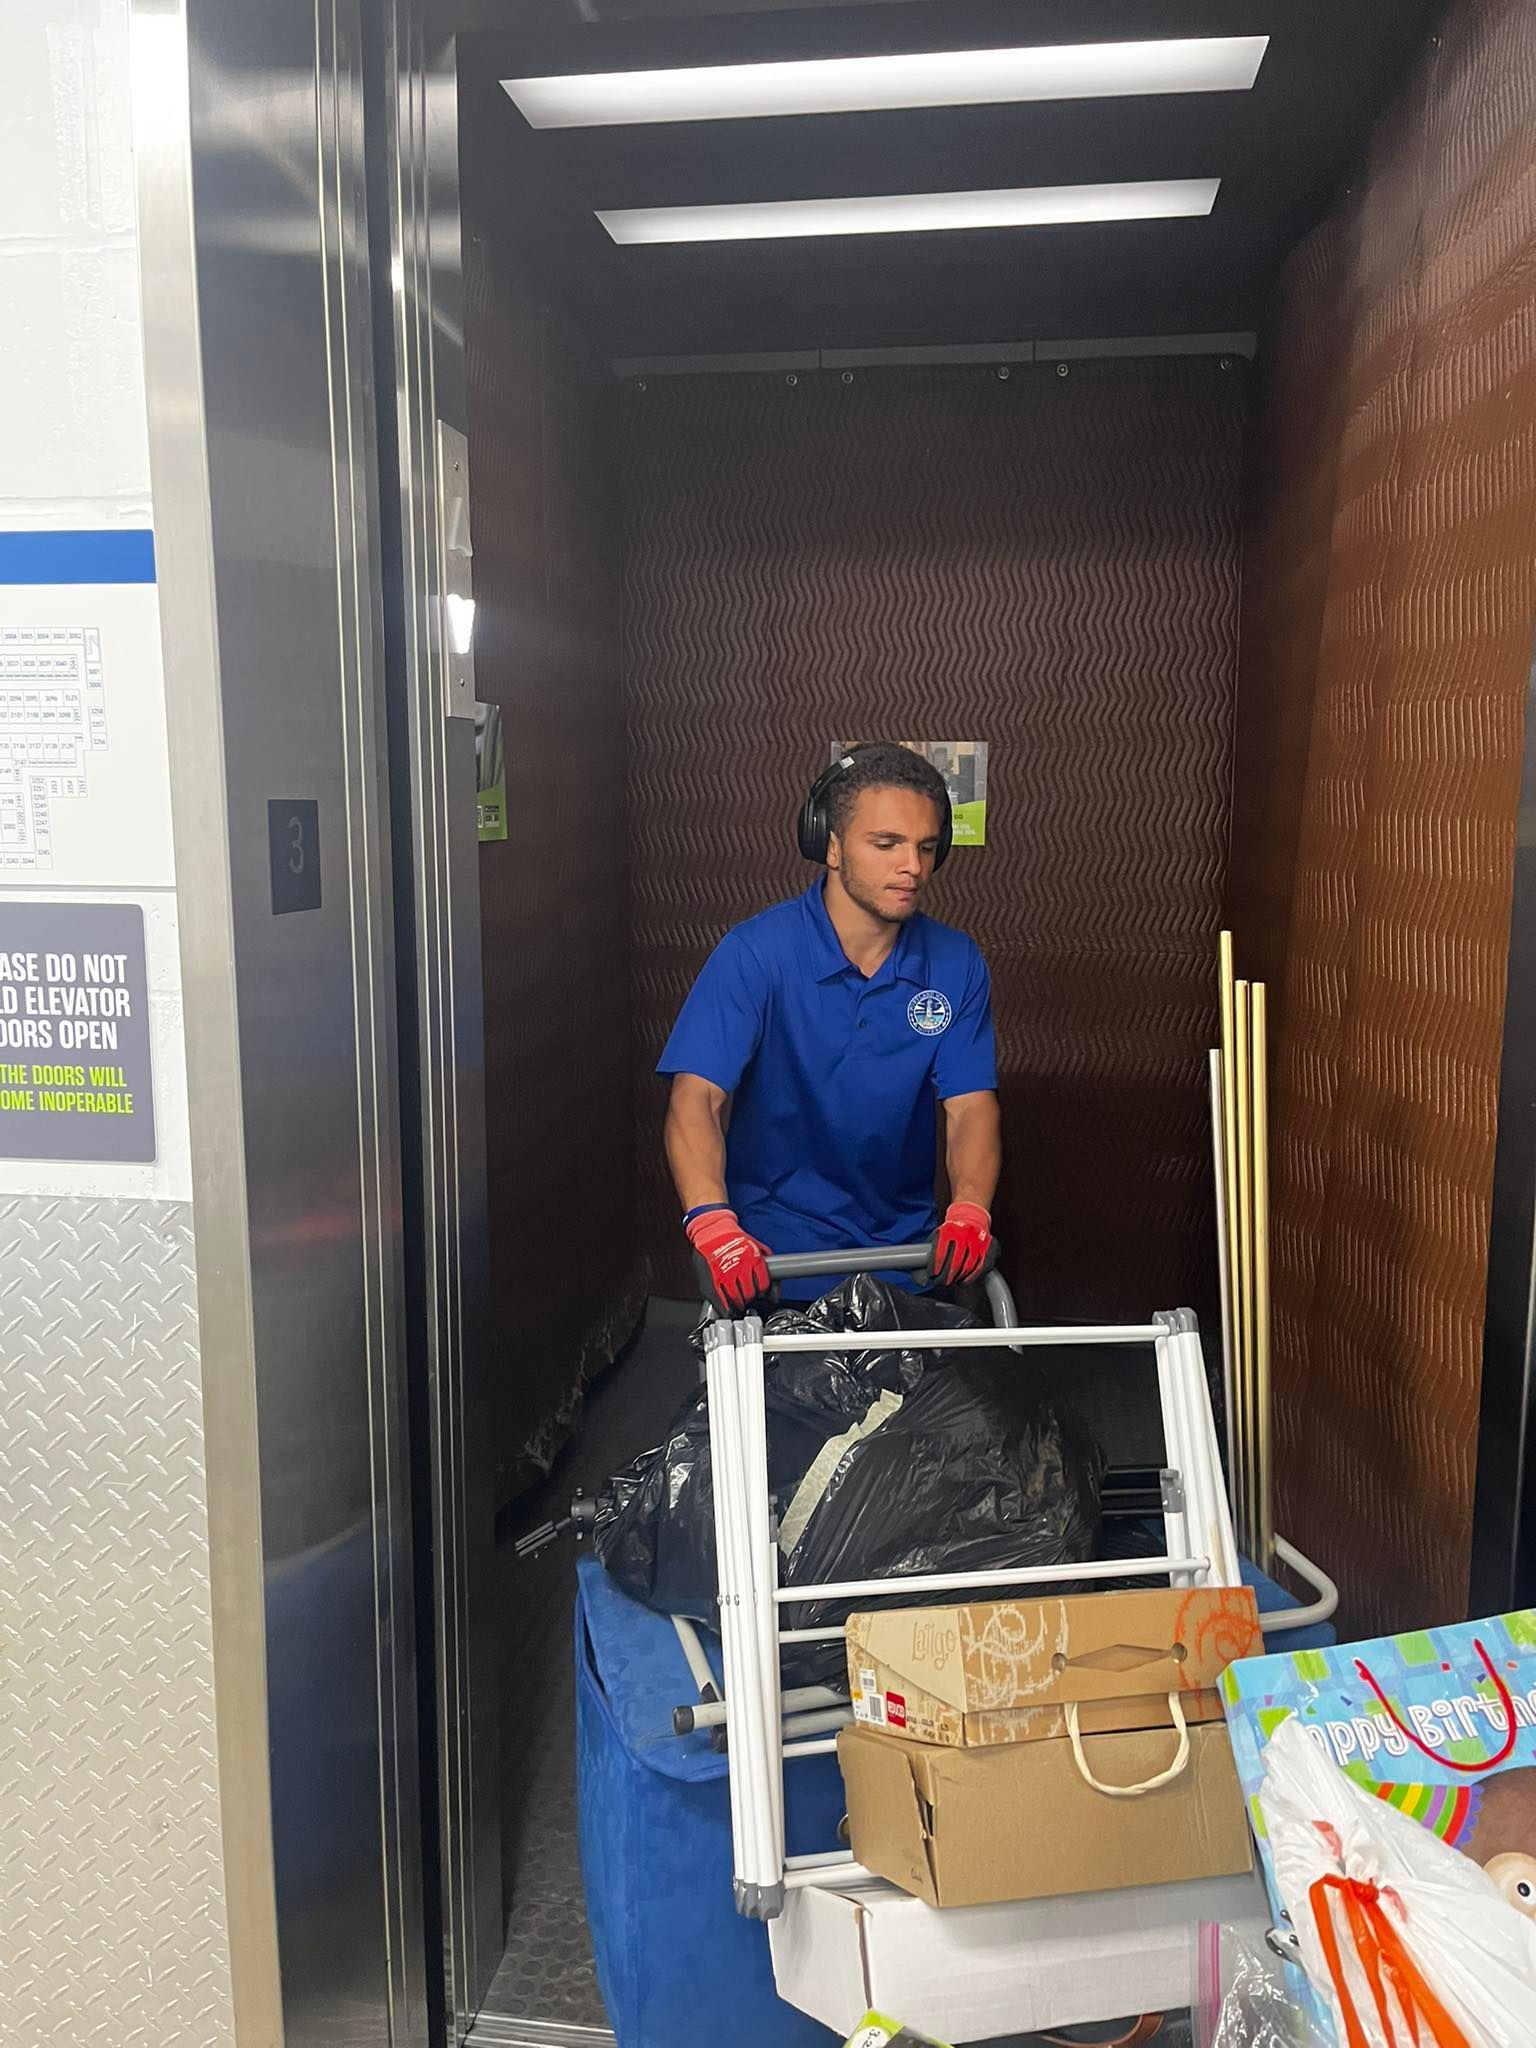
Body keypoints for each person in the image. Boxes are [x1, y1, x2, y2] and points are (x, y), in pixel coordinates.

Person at [659, 742, 1001, 1313]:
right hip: (771, 1258)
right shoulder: (754, 953)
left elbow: (970, 1107)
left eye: (926, 847)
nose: (912, 867)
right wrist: (713, 1224)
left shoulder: (956, 962)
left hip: (905, 1257)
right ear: (832, 847)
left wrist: (970, 1209)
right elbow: (697, 1098)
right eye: (886, 844)